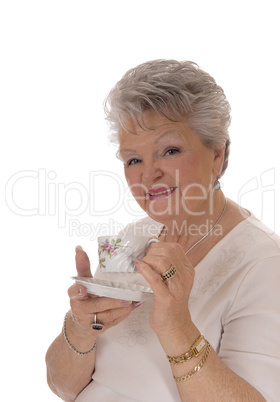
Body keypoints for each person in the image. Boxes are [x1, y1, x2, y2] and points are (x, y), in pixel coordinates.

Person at [45, 59, 280, 401]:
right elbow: (63, 387)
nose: (147, 175)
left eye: (169, 151)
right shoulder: (131, 239)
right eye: (133, 160)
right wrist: (81, 327)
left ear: (217, 155)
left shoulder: (265, 264)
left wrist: (176, 327)